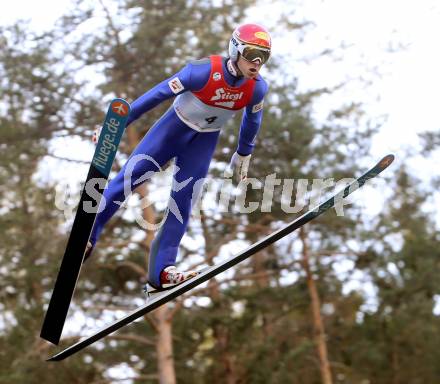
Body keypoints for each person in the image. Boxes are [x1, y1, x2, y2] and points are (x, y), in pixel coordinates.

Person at [86, 23, 271, 290]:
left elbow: (253, 121)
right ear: (235, 48)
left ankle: (162, 270)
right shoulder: (202, 71)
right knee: (130, 177)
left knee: (184, 200)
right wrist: (115, 127)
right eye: (252, 53)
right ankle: (89, 234)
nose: (257, 62)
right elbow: (156, 95)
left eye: (264, 56)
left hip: (204, 141)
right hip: (173, 129)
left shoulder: (256, 89)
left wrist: (243, 155)